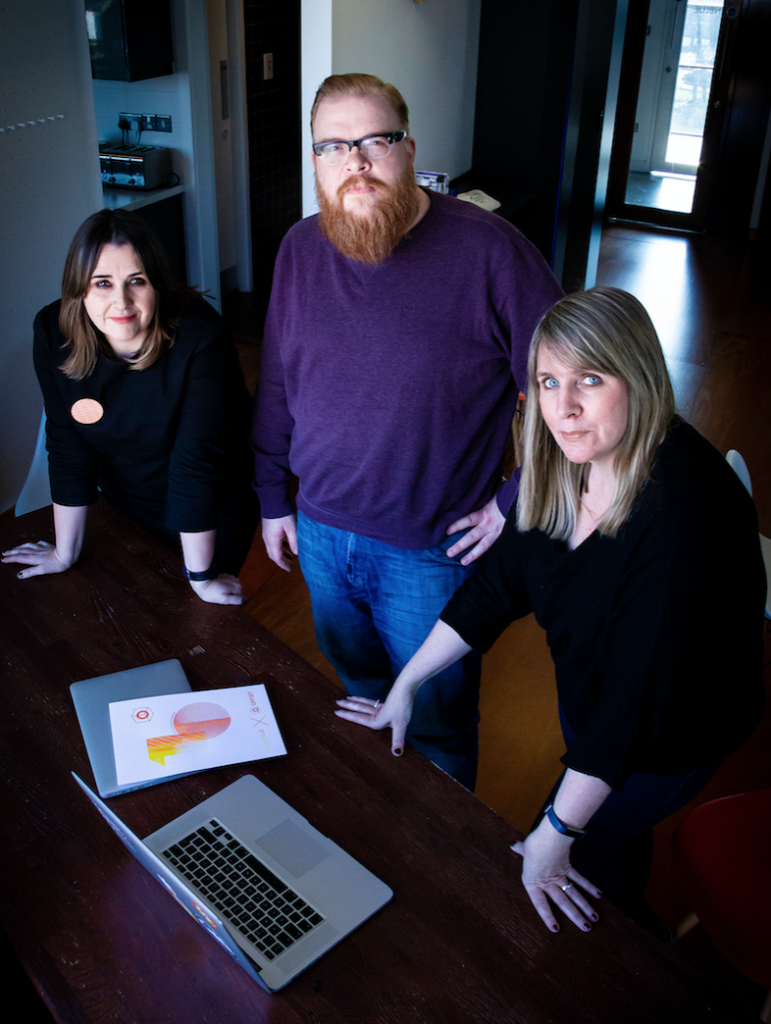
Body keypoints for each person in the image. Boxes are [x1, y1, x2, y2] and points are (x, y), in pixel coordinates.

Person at [335, 286, 766, 938]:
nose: (563, 409)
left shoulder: (678, 517)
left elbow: (631, 705)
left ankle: (638, 971)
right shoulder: (565, 462)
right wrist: (407, 684)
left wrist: (555, 830)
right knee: (607, 851)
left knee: (563, 863)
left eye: (590, 379)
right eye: (547, 381)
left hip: (669, 736)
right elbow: (496, 588)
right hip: (599, 708)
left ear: (641, 378)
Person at [251, 73, 563, 788]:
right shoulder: (300, 248)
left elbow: (569, 387)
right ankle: (383, 819)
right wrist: (271, 496)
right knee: (360, 695)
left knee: (438, 722)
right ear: (315, 160)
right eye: (333, 146)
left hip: (431, 549)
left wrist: (513, 499)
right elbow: (278, 380)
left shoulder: (490, 251)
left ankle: (445, 848)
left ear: (409, 148)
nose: (355, 162)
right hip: (321, 531)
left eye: (375, 141)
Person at [2, 209, 259, 605]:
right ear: (79, 289)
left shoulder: (200, 337)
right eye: (102, 283)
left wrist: (201, 577)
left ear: (157, 284)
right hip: (125, 499)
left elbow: (196, 464)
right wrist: (64, 553)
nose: (120, 301)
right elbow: (68, 442)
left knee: (194, 619)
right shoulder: (53, 332)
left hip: (211, 506)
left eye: (136, 281)